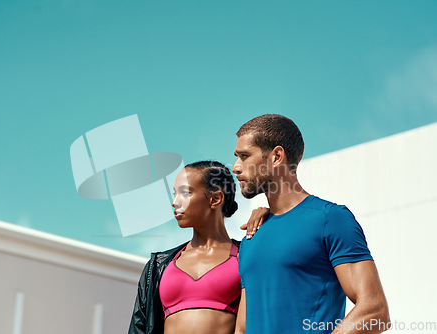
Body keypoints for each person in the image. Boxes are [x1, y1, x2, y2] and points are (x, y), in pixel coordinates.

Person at [232, 114, 390, 334]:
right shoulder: (251, 237)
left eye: (244, 156)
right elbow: (242, 328)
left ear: (276, 156)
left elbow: (375, 311)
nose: (235, 167)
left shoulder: (331, 219)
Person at [128, 161, 242, 334]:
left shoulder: (246, 256)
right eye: (175, 194)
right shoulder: (158, 266)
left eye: (185, 193)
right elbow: (139, 328)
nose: (175, 202)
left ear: (215, 199)